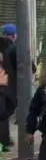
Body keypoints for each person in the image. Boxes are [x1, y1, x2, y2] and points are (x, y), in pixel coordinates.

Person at [0, 24, 16, 152]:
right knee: (4, 114)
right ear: (14, 36)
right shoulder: (12, 48)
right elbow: (29, 67)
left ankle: (4, 141)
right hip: (6, 86)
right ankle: (4, 141)